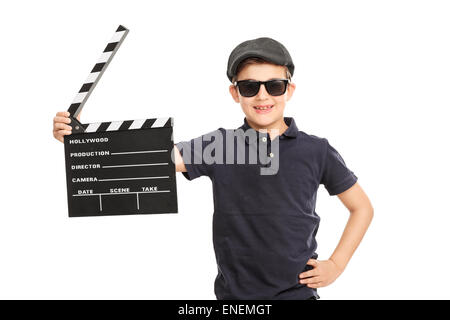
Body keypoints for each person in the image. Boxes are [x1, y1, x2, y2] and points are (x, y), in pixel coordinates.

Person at [53, 37, 374, 300]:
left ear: (289, 90)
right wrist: (78, 139)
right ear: (235, 93)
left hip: (298, 295)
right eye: (249, 87)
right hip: (234, 299)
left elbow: (361, 208)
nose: (262, 95)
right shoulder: (220, 145)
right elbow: (154, 159)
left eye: (274, 86)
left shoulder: (316, 150)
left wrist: (336, 264)